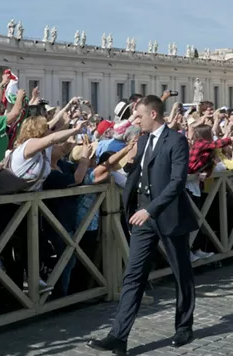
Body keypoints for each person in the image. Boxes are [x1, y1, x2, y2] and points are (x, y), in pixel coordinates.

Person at [87, 95, 197, 355]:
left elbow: (177, 182)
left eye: (139, 116)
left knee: (182, 273)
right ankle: (119, 336)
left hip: (168, 215)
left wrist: (151, 209)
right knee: (133, 275)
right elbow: (135, 173)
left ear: (154, 115)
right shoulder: (143, 140)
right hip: (143, 217)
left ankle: (184, 326)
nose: (135, 120)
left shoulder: (176, 140)